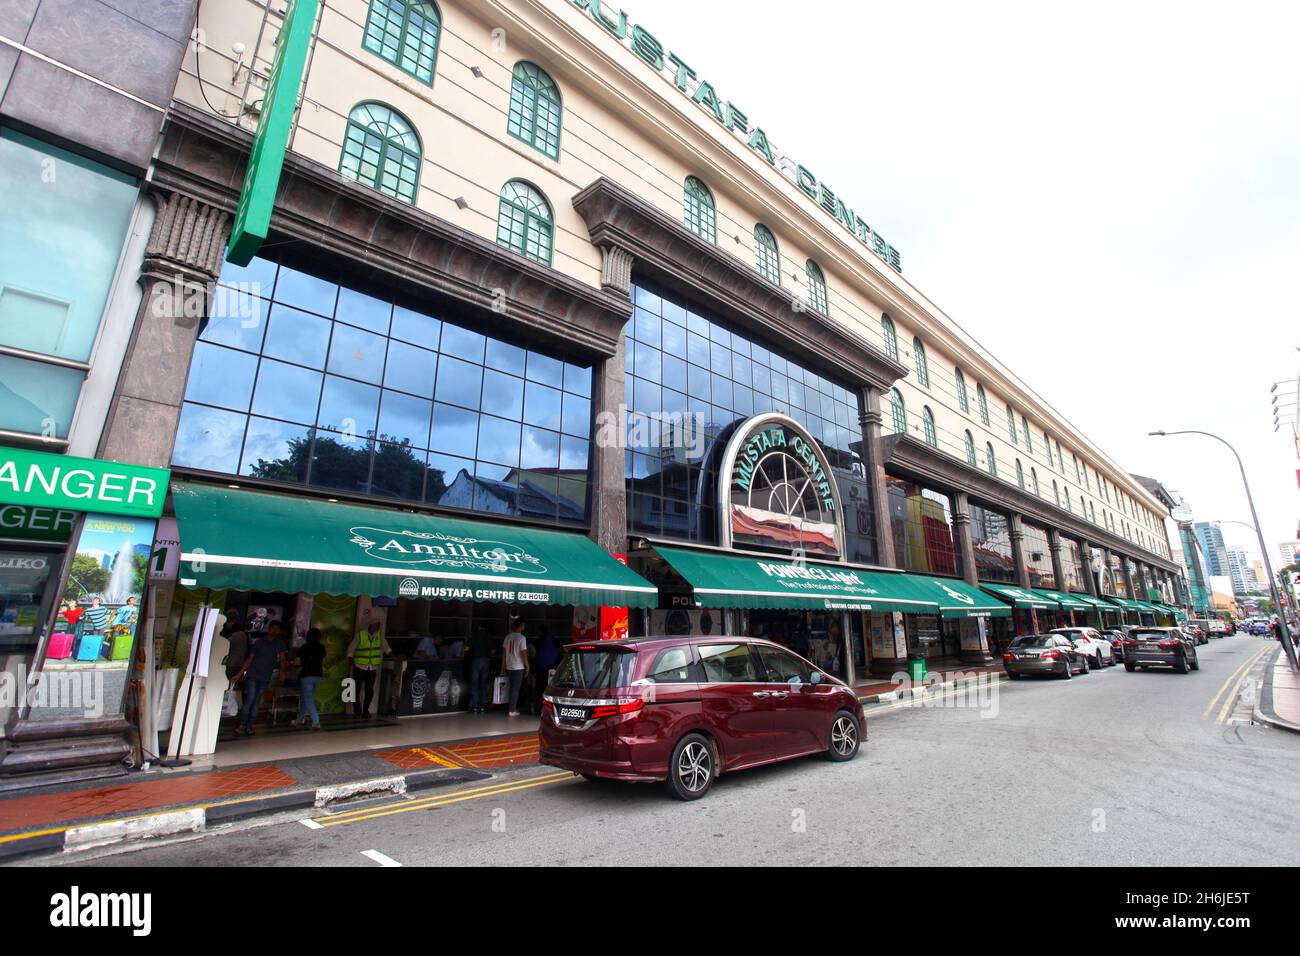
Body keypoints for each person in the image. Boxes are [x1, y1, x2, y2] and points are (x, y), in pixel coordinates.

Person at [231, 620, 288, 737]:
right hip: (252, 674)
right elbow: (250, 659)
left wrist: (282, 673)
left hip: (265, 676)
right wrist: (240, 674)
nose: (275, 631)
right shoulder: (259, 643)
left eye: (277, 629)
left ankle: (249, 725)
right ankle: (242, 725)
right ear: (269, 629)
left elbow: (283, 660)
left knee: (256, 701)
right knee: (251, 698)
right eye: (273, 628)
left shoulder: (279, 644)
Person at [346, 615, 392, 718]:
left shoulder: (379, 636)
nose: (376, 627)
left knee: (369, 690)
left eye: (378, 626)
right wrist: (351, 660)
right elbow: (351, 649)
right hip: (359, 666)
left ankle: (365, 710)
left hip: (372, 668)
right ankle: (357, 709)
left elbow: (387, 649)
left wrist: (396, 656)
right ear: (370, 626)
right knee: (356, 689)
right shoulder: (360, 635)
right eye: (375, 625)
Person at [292, 628, 326, 730]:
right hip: (318, 676)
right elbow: (324, 662)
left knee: (308, 700)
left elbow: (297, 662)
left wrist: (295, 663)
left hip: (306, 676)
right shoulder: (321, 647)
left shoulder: (304, 647)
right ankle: (299, 720)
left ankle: (316, 722)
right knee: (305, 699)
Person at [502, 617, 529, 717]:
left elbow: (504, 652)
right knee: (515, 689)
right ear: (521, 626)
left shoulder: (508, 637)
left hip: (509, 666)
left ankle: (510, 707)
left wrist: (503, 665)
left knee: (510, 688)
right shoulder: (522, 638)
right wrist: (527, 666)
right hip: (518, 667)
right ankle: (512, 710)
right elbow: (523, 653)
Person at [465, 625, 494, 714]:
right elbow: (493, 651)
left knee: (474, 683)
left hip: (476, 661)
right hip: (486, 661)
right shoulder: (489, 636)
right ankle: (482, 707)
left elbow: (467, 648)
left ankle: (474, 706)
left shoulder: (475, 635)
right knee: (484, 684)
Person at [532, 629, 562, 714]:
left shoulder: (541, 644)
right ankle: (546, 710)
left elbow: (536, 656)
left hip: (540, 671)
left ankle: (536, 709)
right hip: (550, 672)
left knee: (538, 690)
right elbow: (558, 655)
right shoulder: (554, 645)